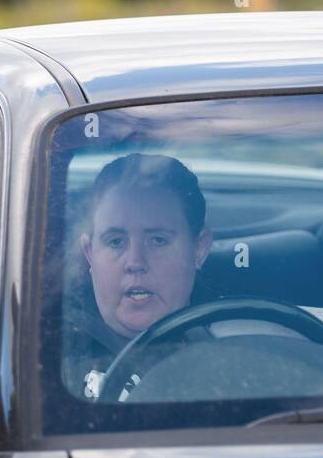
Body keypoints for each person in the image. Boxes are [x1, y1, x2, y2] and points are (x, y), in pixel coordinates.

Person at [65, 152, 213, 398]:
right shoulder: (44, 355)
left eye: (157, 240)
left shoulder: (242, 346)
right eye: (115, 241)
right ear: (89, 253)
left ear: (199, 249)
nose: (135, 262)